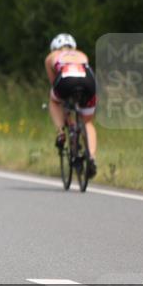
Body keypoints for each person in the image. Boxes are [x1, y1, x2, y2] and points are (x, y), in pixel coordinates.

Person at [45, 33, 98, 178]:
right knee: (87, 122)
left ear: (54, 47)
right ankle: (91, 157)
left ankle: (61, 131)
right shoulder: (81, 54)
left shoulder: (52, 56)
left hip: (65, 81)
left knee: (55, 100)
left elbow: (53, 83)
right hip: (88, 82)